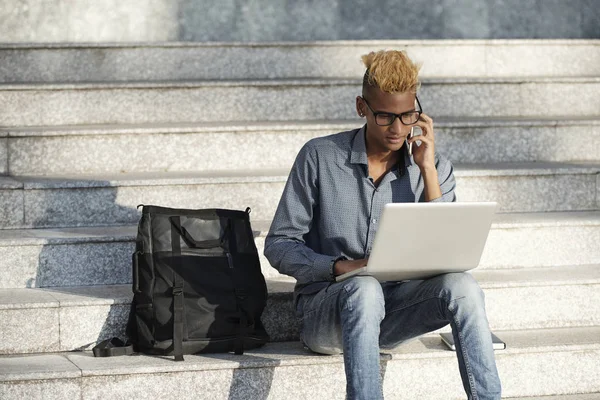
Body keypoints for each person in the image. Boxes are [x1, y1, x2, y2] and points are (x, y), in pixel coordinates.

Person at [264, 50, 501, 400]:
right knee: (364, 288)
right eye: (385, 117)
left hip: (395, 313)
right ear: (362, 107)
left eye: (408, 116)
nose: (398, 129)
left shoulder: (432, 166)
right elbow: (280, 243)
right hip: (329, 313)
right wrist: (342, 267)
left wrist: (428, 171)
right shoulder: (319, 156)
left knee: (463, 286)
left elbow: (445, 252)